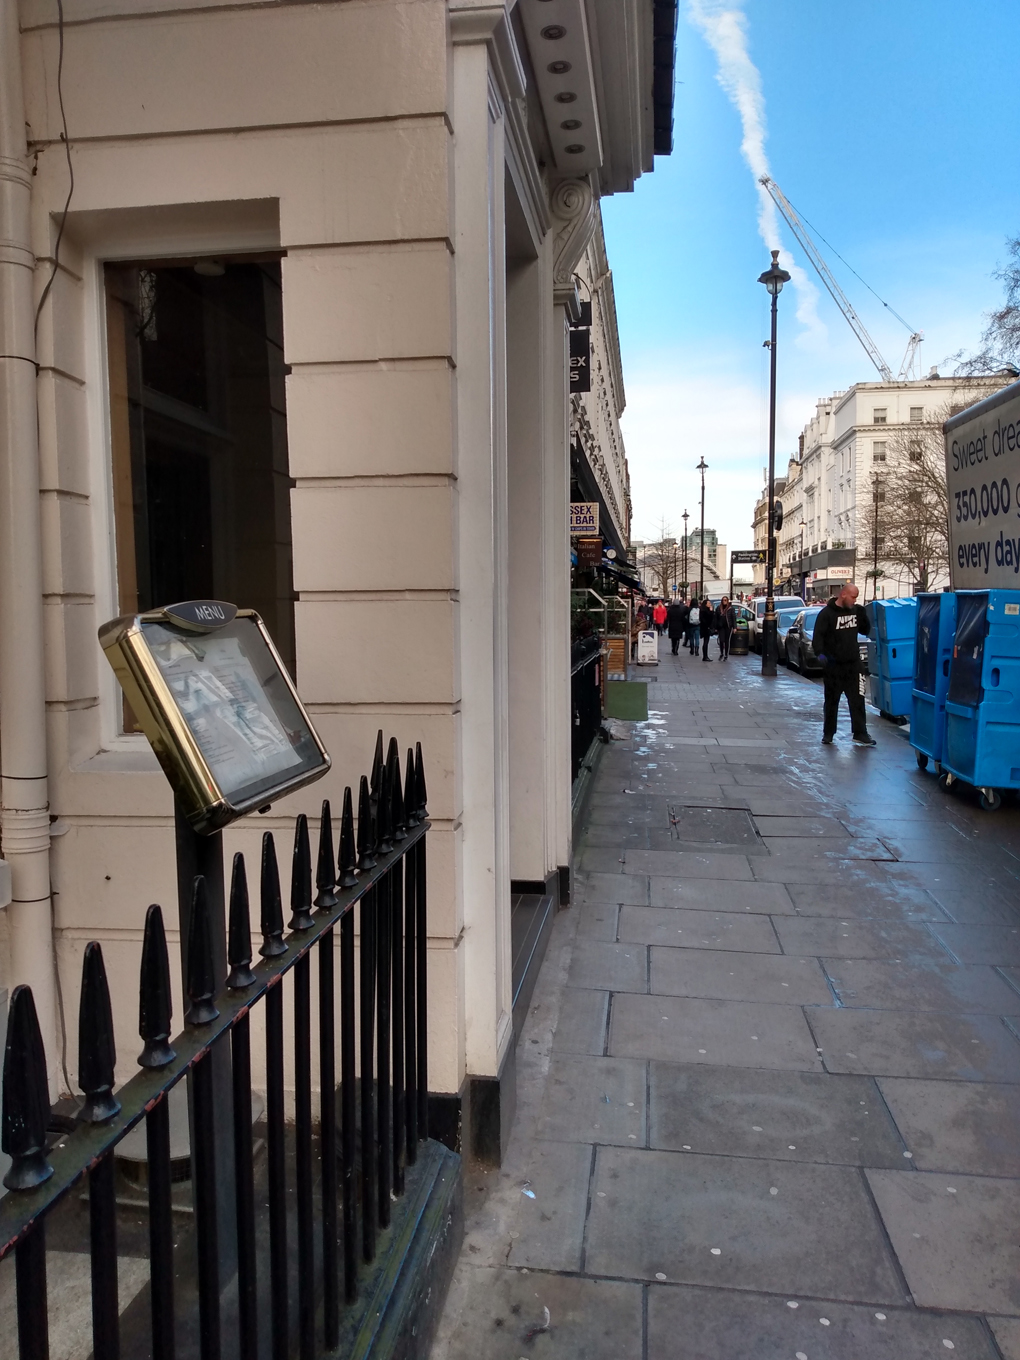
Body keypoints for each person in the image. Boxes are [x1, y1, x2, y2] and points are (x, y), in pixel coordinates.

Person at [811, 582, 876, 746]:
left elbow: (865, 630)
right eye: (853, 597)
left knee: (858, 699)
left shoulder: (856, 611)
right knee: (832, 701)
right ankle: (828, 733)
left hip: (854, 664)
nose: (855, 600)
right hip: (834, 665)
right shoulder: (826, 614)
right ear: (844, 595)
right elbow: (818, 637)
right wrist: (820, 654)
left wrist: (863, 616)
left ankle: (860, 732)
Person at [700, 597, 714, 661]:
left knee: (705, 642)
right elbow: (710, 619)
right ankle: (705, 656)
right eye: (709, 603)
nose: (710, 604)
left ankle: (705, 656)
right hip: (706, 628)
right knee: (706, 642)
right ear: (705, 604)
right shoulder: (706, 611)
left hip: (704, 628)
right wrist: (711, 611)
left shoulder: (702, 610)